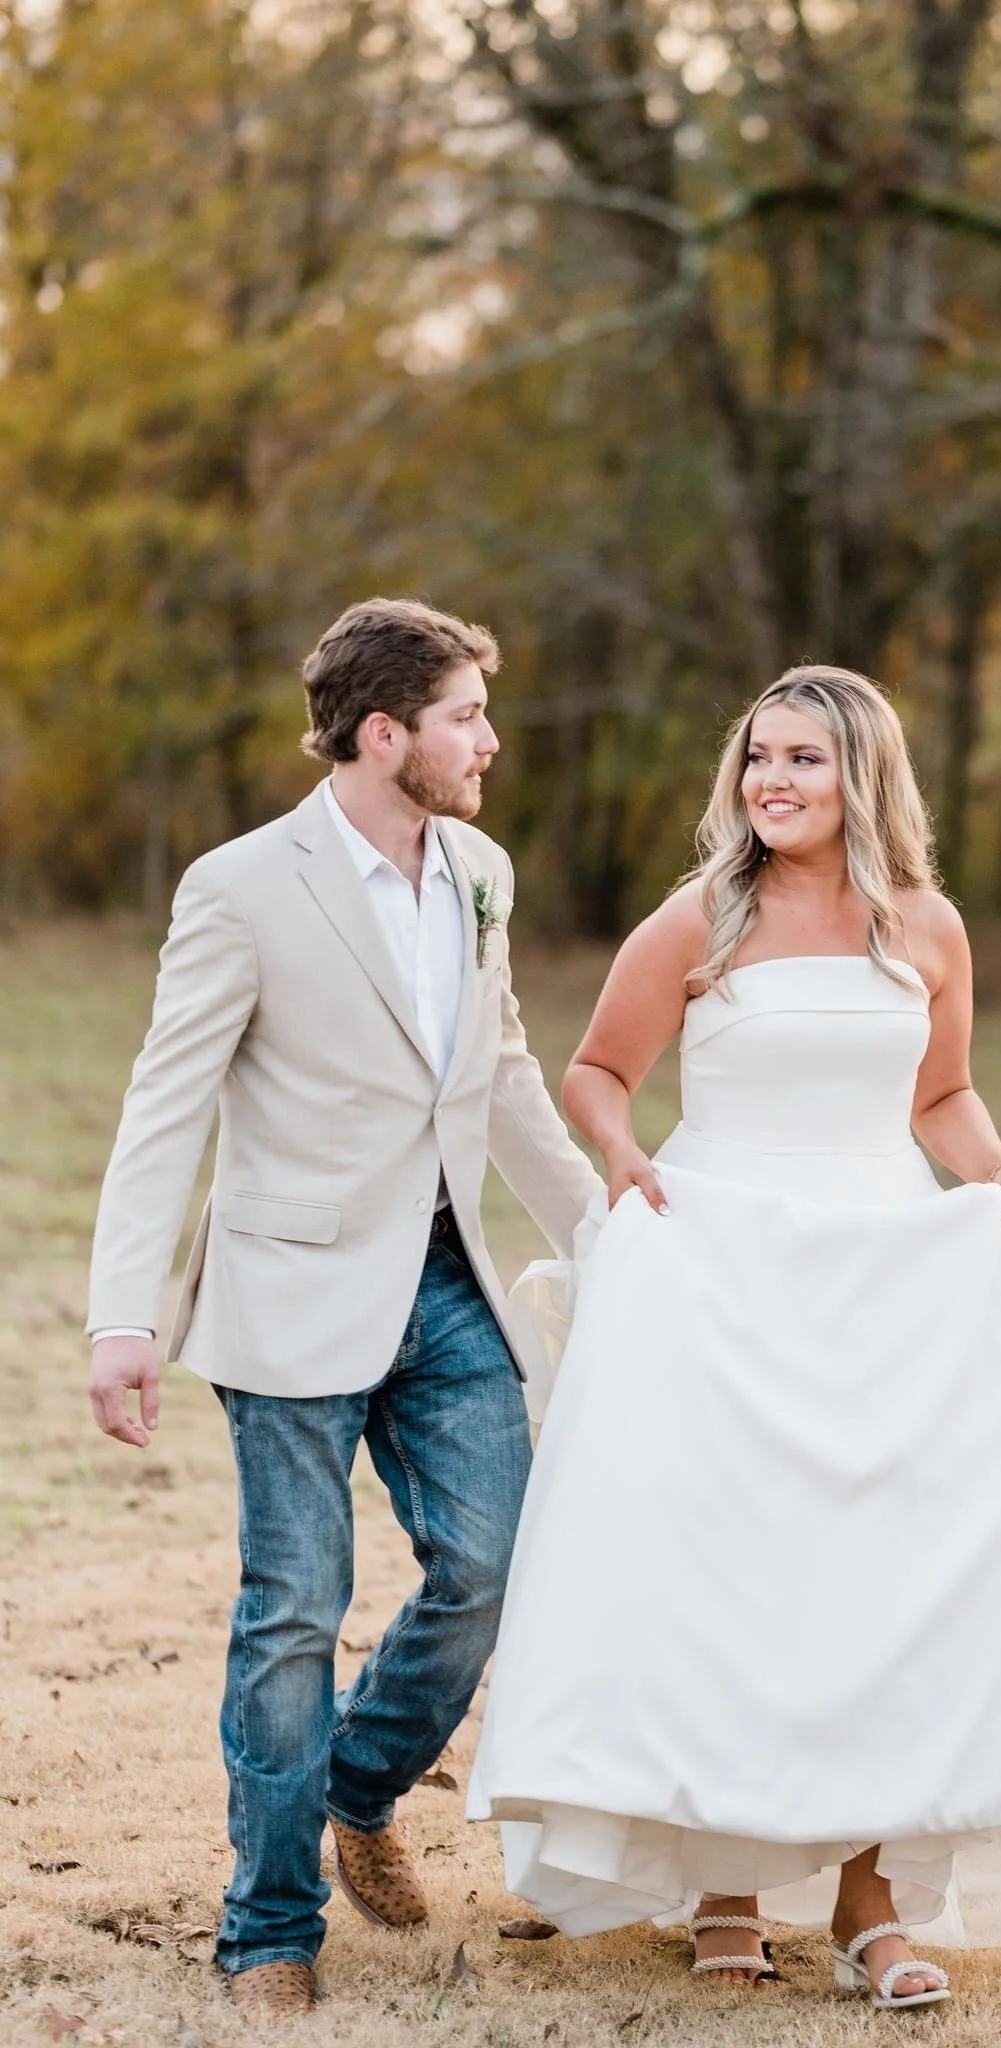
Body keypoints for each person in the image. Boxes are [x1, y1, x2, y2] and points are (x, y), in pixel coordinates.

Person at [469, 663, 1001, 2013]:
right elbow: (596, 1073)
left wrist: (1000, 1183)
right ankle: (721, 1887)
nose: (770, 782)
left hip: (885, 1266)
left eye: (803, 762)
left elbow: (940, 1093)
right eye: (757, 758)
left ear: (861, 779)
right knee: (731, 1573)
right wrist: (620, 1162)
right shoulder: (696, 923)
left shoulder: (926, 930)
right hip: (723, 1263)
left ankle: (868, 1903)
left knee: (889, 1581)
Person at [86, 598, 601, 2023]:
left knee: (491, 1568)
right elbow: (166, 1100)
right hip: (291, 1287)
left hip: (447, 1287)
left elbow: (499, 1074)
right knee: (291, 1612)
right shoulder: (242, 887)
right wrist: (123, 1313)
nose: (488, 742)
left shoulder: (481, 869)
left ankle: (358, 1786)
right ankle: (267, 1933)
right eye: (464, 719)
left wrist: (615, 1243)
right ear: (386, 736)